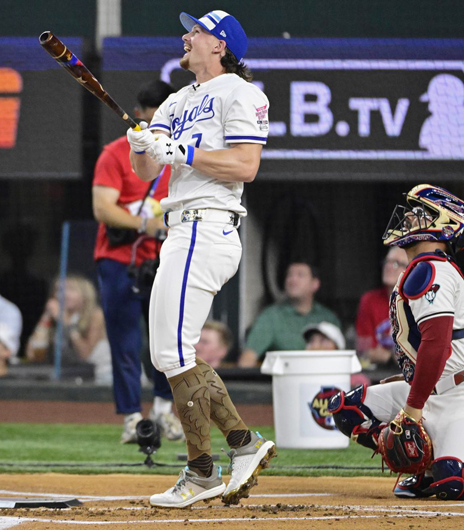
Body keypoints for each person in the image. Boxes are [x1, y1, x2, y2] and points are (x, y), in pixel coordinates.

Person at [126, 9, 276, 508]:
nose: (185, 36)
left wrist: (182, 152)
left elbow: (246, 165)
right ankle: (239, 446)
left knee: (170, 353)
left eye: (197, 31)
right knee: (170, 354)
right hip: (180, 228)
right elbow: (151, 167)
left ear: (221, 45)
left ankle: (204, 470)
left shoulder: (242, 93)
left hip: (208, 225)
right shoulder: (176, 98)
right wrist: (141, 146)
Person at [328, 184, 464, 501]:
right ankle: (426, 468)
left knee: (457, 483)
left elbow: (438, 346)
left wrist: (411, 412)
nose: (407, 217)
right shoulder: (417, 269)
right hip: (431, 388)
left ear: (442, 224)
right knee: (347, 408)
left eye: (419, 213)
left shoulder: (432, 269)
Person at [92, 79, 183, 444]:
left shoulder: (179, 156)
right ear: (143, 114)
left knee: (166, 341)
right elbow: (102, 208)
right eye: (157, 113)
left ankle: (163, 412)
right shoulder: (115, 153)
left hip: (163, 259)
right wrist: (146, 225)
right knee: (125, 341)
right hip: (119, 261)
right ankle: (132, 418)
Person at [238, 261, 342, 367]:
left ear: (315, 284)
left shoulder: (328, 317)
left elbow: (342, 359)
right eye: (289, 275)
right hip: (285, 380)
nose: (293, 280)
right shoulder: (271, 316)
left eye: (300, 275)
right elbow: (248, 358)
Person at [25, 275, 111, 382]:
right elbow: (32, 355)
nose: (64, 295)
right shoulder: (55, 317)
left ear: (85, 294)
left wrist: (66, 323)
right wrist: (46, 317)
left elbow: (85, 355)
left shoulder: (96, 315)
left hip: (102, 376)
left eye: (71, 289)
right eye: (59, 290)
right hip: (69, 376)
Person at [355, 247, 409, 366]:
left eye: (397, 263)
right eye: (387, 262)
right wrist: (393, 356)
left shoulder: (418, 301)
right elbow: (364, 351)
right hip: (379, 374)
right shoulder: (369, 300)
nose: (389, 267)